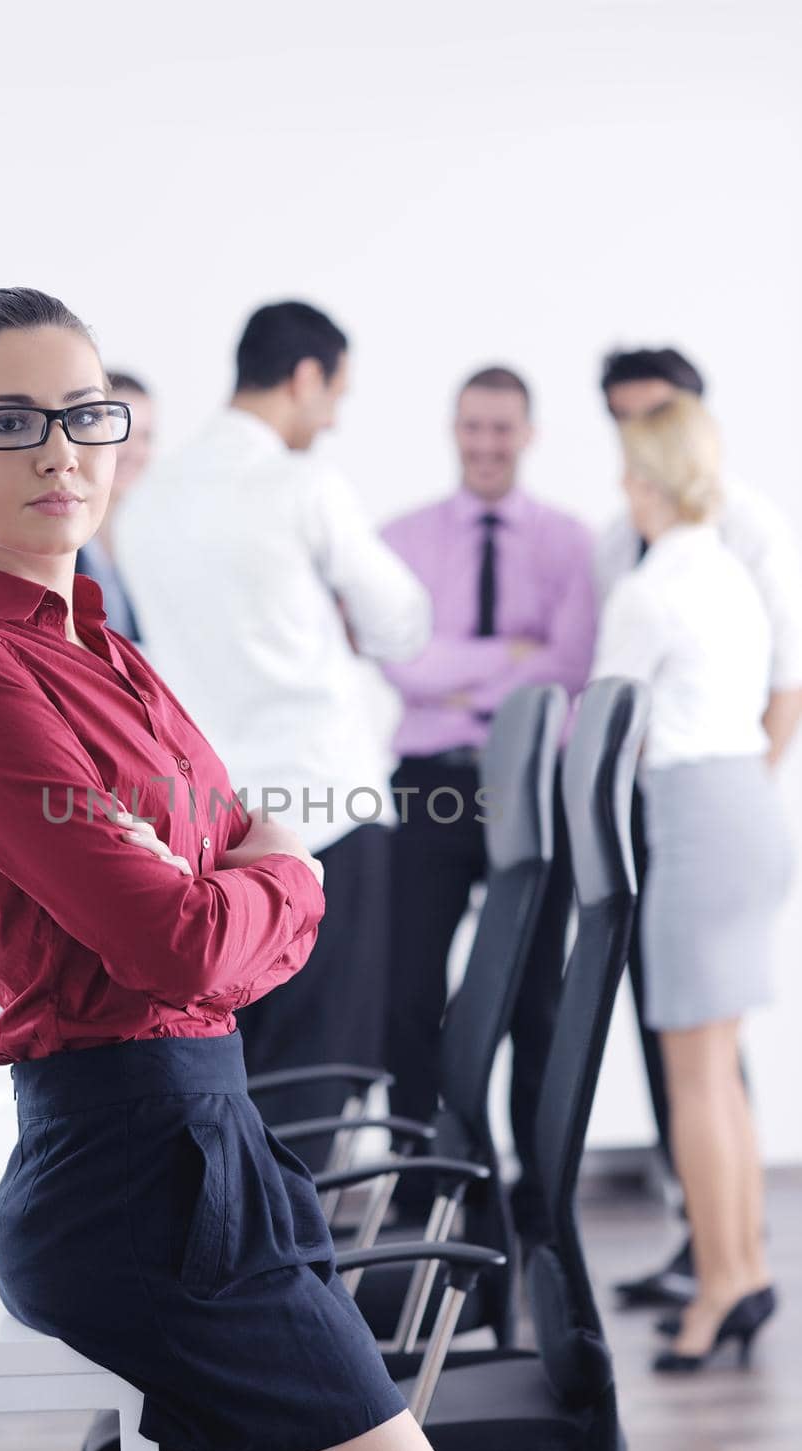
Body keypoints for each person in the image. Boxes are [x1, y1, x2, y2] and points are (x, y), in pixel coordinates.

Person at [0, 285, 508, 1451]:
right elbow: (183, 936)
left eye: (83, 415)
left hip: (215, 1158)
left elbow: (232, 867)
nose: (57, 448)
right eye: (8, 420)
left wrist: (241, 874)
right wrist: (260, 872)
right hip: (139, 1184)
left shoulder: (103, 646)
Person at [113, 301, 432, 1140]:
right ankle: (305, 1264)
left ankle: (239, 1257)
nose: (332, 417)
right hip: (330, 813)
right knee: (322, 1072)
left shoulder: (145, 502)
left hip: (211, 828)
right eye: (336, 395)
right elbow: (402, 623)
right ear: (303, 378)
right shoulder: (304, 485)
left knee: (231, 1069)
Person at [597, 347, 802, 1310]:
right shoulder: (722, 569)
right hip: (746, 814)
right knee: (716, 1072)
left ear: (651, 475)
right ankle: (742, 1268)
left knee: (693, 1077)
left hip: (692, 812)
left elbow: (604, 729)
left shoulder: (652, 587)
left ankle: (720, 1281)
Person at [380, 366, 597, 1239]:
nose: (485, 445)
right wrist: (506, 659)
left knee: (534, 997)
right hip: (430, 782)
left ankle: (538, 1190)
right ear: (452, 428)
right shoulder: (398, 538)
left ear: (529, 433)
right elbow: (402, 664)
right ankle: (425, 1181)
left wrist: (452, 669)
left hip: (529, 786)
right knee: (406, 990)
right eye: (472, 427)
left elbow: (572, 665)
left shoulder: (571, 543)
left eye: (501, 429)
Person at [74, 368, 153, 639]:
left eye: (146, 437)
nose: (135, 452)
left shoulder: (151, 540)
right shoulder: (58, 541)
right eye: (120, 432)